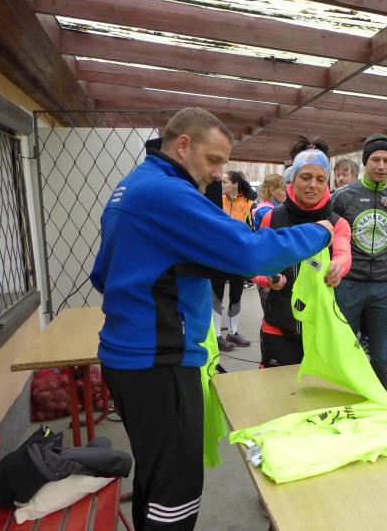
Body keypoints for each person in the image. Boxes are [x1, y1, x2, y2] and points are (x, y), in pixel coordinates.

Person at [89, 107, 333, 530]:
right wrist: (322, 231)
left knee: (154, 474)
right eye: (214, 160)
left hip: (127, 355)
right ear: (183, 145)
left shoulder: (134, 185)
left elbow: (103, 274)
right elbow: (251, 251)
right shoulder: (168, 193)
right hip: (158, 361)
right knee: (176, 490)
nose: (219, 173)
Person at [332, 133, 387, 390]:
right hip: (348, 284)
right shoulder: (342, 196)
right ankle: (343, 401)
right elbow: (326, 241)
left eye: (386, 160)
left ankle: (379, 406)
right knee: (343, 351)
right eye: (375, 160)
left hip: (384, 287)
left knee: (381, 358)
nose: (381, 166)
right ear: (365, 161)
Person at [253, 149, 352, 367]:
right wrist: (268, 279)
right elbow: (255, 265)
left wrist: (337, 268)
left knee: (319, 389)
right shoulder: (272, 218)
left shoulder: (338, 223)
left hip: (321, 327)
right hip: (277, 326)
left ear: (327, 184)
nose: (313, 185)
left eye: (320, 179)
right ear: (293, 180)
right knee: (276, 387)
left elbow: (343, 254)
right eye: (305, 177)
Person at [211, 171, 256, 351]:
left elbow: (252, 231)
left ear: (235, 184)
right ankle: (216, 335)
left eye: (225, 182)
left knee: (236, 295)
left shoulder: (249, 204)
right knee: (216, 295)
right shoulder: (216, 200)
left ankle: (233, 332)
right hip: (218, 256)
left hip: (238, 257)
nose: (221, 185)